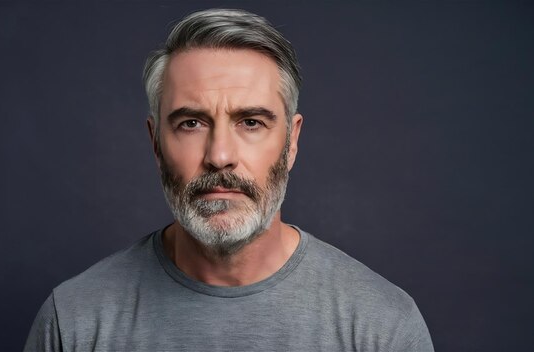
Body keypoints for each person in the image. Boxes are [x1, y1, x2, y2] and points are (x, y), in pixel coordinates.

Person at [24, 8, 434, 352]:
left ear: (291, 143)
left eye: (251, 122)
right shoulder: (74, 322)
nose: (220, 156)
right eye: (191, 123)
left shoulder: (383, 327)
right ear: (155, 143)